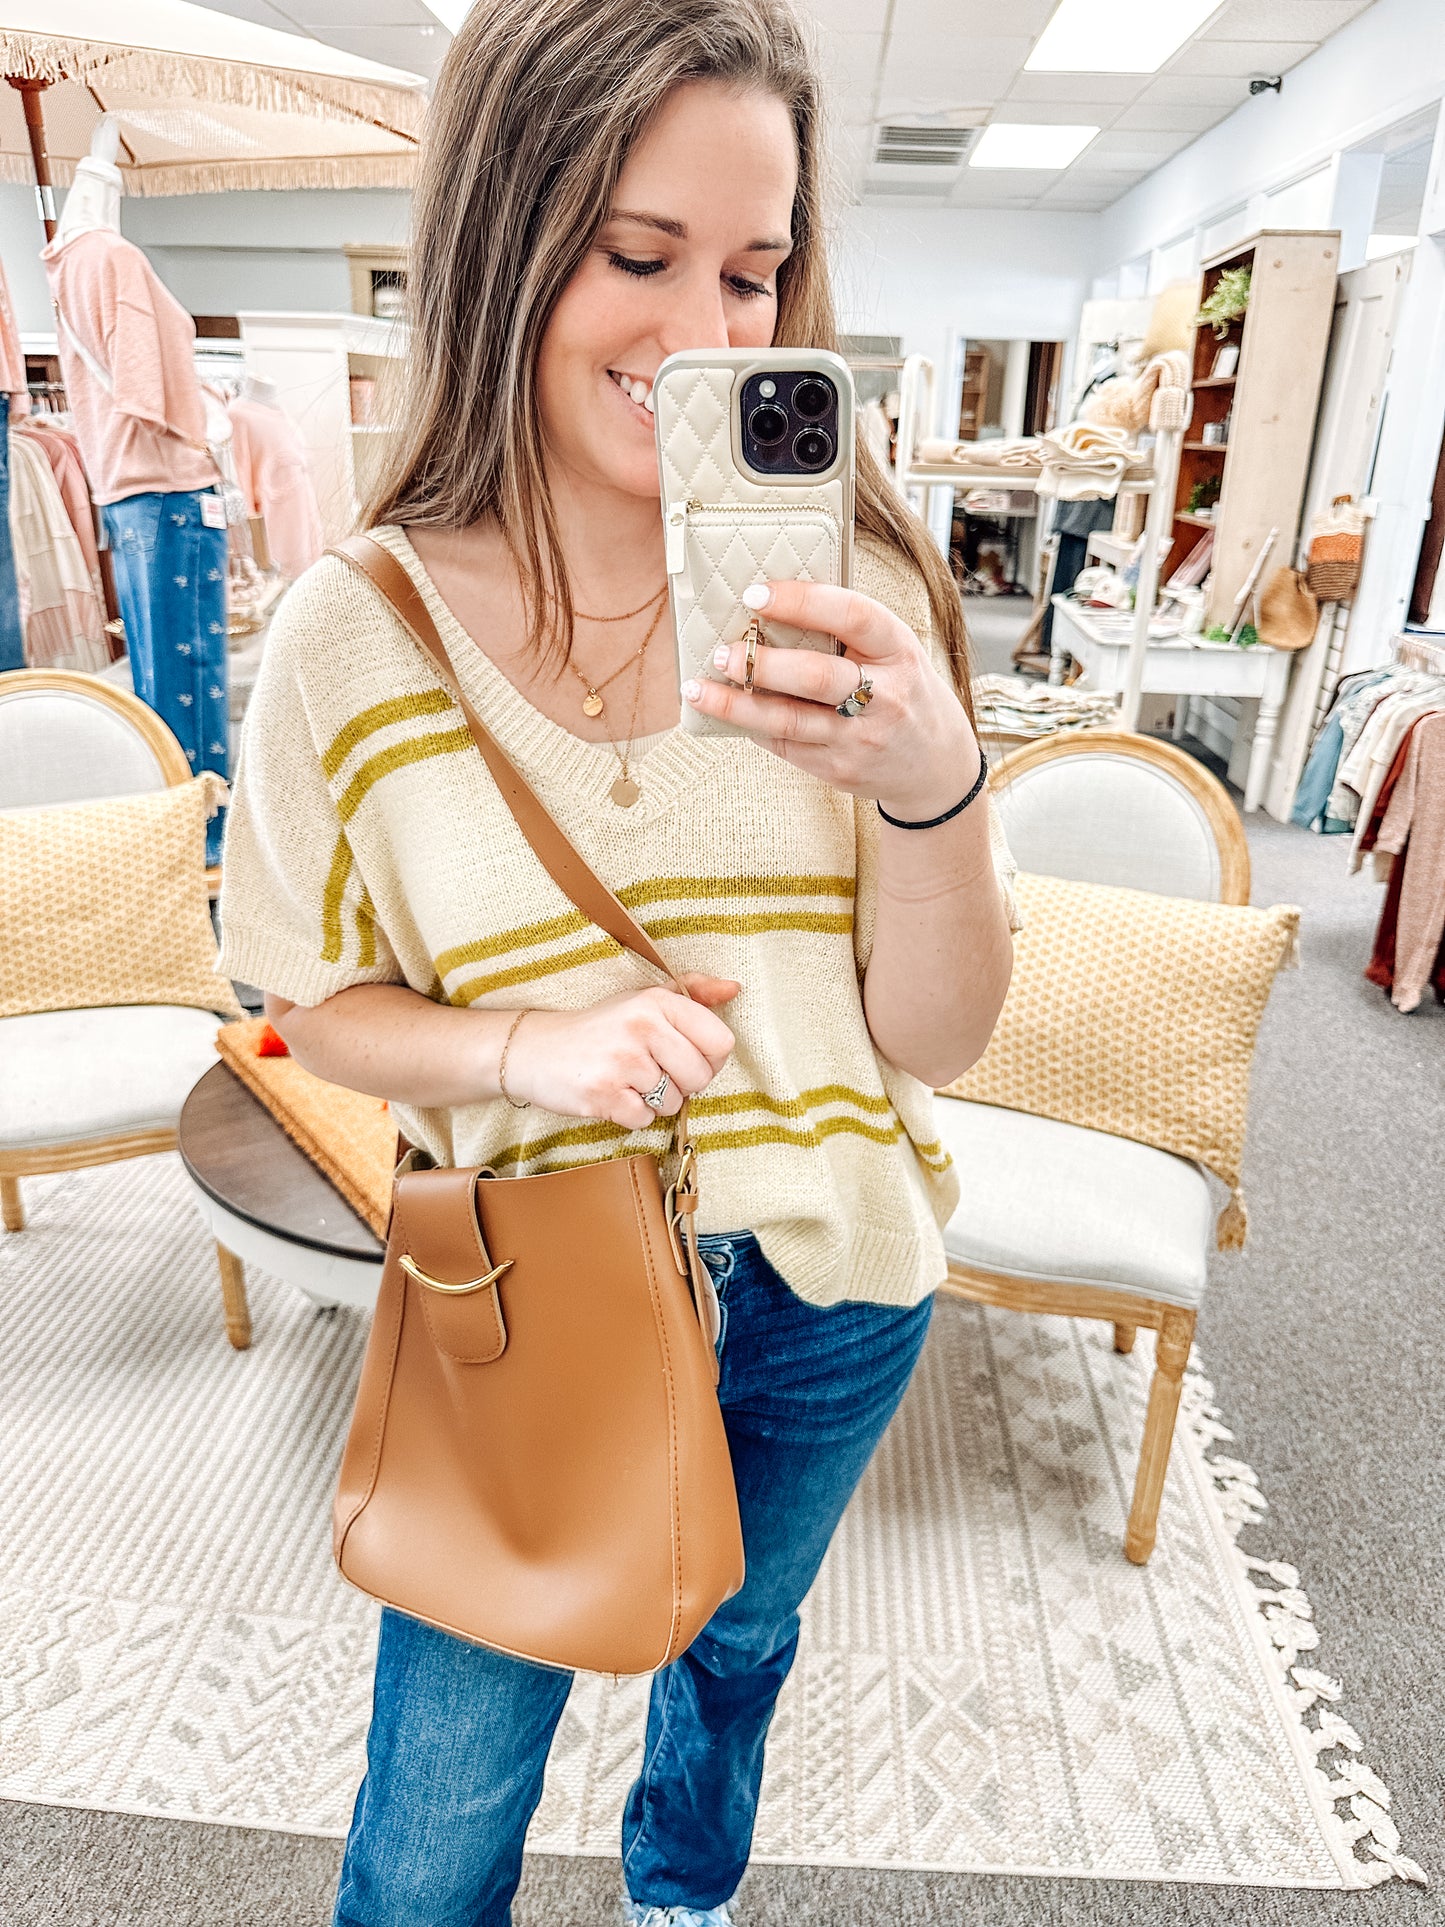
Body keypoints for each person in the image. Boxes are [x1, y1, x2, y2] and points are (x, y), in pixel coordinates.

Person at [216, 2, 1020, 1921]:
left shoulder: (861, 592)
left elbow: (940, 1036)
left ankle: (682, 1882)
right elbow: (299, 1004)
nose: (707, 341)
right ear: (504, 236)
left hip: (838, 1277)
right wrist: (522, 1054)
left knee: (735, 1653)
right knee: (439, 1800)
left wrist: (934, 789)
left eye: (756, 274)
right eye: (637, 256)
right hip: (533, 1292)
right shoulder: (358, 632)